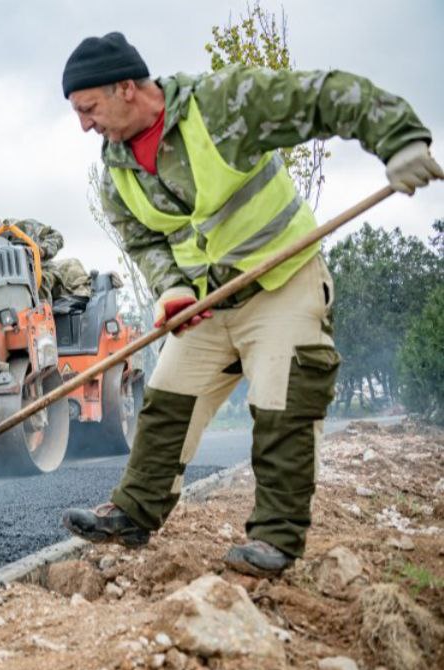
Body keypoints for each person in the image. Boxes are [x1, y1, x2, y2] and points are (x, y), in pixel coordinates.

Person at [58, 32, 441, 576]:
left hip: (282, 281)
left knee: (282, 403)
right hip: (210, 306)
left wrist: (398, 138)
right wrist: (174, 291)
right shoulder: (116, 169)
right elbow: (144, 239)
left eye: (88, 109)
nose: (85, 125)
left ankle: (276, 541)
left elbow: (322, 95)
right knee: (167, 399)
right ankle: (135, 512)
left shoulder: (221, 104)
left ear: (126, 88)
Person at [0, 215, 92, 302]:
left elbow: (56, 236)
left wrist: (42, 250)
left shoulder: (22, 228)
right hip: (11, 284)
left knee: (37, 287)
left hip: (41, 271)